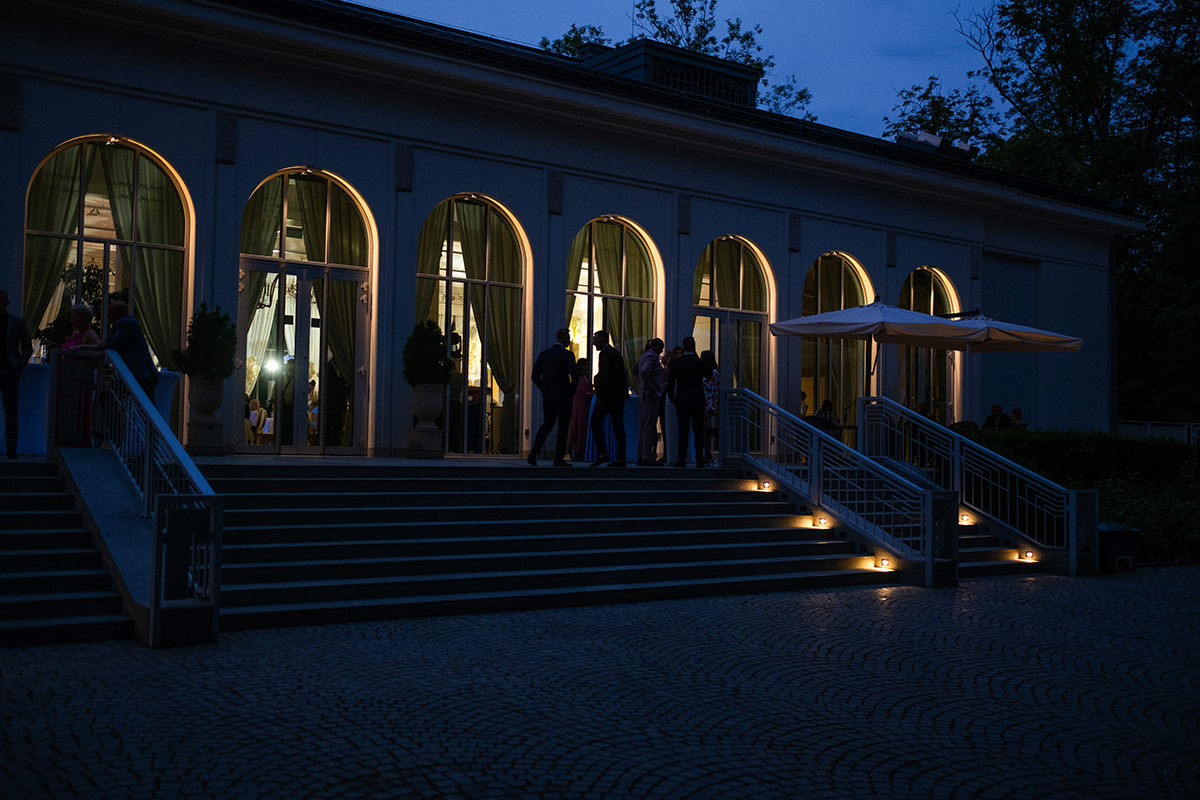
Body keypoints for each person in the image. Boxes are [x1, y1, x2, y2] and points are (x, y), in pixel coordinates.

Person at [528, 328, 577, 466]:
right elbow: (575, 377)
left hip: (549, 395)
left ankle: (533, 453)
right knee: (563, 426)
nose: (569, 340)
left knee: (547, 424)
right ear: (563, 338)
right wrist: (570, 392)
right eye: (568, 338)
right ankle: (558, 457)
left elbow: (535, 376)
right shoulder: (568, 355)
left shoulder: (544, 354)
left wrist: (544, 389)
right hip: (563, 395)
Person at [98, 300, 159, 400]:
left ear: (116, 313)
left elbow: (113, 343)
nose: (107, 315)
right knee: (145, 401)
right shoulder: (128, 323)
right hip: (141, 375)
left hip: (140, 374)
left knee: (108, 396)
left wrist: (102, 345)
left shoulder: (125, 324)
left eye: (109, 312)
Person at [666, 336, 712, 467]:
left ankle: (681, 459)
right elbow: (709, 376)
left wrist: (672, 398)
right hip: (697, 399)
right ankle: (699, 459)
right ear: (694, 346)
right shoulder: (700, 362)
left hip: (682, 399)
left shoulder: (677, 363)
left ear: (684, 346)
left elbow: (670, 382)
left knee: (683, 430)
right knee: (698, 431)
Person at [0, 289, 34, 460]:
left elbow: (28, 346)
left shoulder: (17, 322)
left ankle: (11, 448)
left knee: (12, 411)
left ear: (7, 303)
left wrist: (20, 364)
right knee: (11, 411)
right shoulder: (16, 322)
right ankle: (11, 448)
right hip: (11, 369)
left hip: (10, 370)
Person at [589, 330, 629, 467]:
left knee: (596, 421)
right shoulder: (614, 353)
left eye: (596, 339)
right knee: (618, 426)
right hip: (617, 396)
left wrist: (599, 394)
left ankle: (603, 453)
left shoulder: (605, 354)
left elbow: (604, 376)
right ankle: (620, 457)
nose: (594, 342)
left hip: (609, 397)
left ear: (603, 339)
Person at [635, 338, 665, 466]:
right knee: (649, 426)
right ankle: (647, 456)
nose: (662, 351)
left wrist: (641, 384)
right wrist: (651, 387)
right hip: (650, 396)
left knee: (644, 426)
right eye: (661, 347)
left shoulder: (644, 356)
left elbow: (636, 371)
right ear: (656, 347)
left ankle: (642, 455)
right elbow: (644, 371)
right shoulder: (652, 357)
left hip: (644, 394)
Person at [567, 357, 593, 462]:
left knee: (582, 428)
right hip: (580, 407)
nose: (588, 367)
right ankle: (577, 450)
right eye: (586, 365)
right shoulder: (579, 379)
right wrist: (593, 395)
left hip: (584, 407)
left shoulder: (584, 378)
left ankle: (580, 450)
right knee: (579, 428)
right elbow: (581, 393)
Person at [700, 349, 719, 463]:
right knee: (703, 430)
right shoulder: (704, 372)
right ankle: (706, 453)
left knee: (704, 430)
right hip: (704, 402)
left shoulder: (714, 374)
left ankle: (707, 454)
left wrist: (713, 406)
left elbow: (713, 390)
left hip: (708, 404)